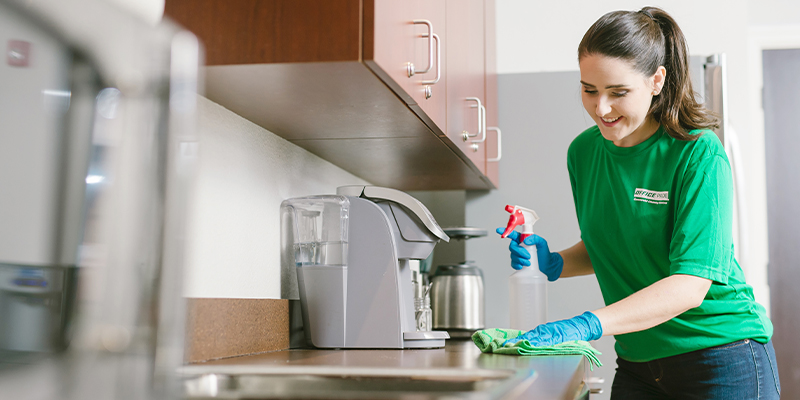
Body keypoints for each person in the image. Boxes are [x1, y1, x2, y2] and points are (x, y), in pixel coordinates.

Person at [498, 7, 780, 399]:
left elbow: (690, 285)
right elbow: (616, 244)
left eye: (618, 93)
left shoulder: (697, 153)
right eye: (589, 90)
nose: (601, 108)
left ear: (656, 81)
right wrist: (556, 262)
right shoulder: (583, 153)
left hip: (721, 357)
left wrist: (587, 324)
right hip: (638, 362)